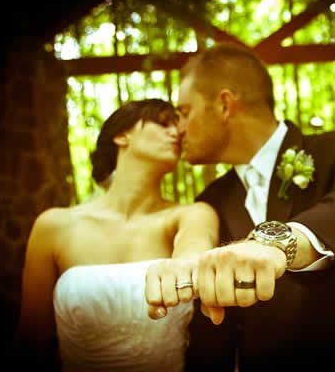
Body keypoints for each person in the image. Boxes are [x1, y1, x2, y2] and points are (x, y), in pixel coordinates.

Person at [145, 43, 335, 371]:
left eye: (185, 112)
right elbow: (213, 327)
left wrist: (275, 246)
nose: (179, 129)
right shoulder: (209, 201)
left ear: (225, 105)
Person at [13, 98, 219, 372]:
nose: (176, 132)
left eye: (178, 126)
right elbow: (32, 341)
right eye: (163, 122)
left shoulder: (191, 215)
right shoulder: (54, 226)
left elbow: (194, 247)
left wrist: (189, 260)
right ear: (122, 136)